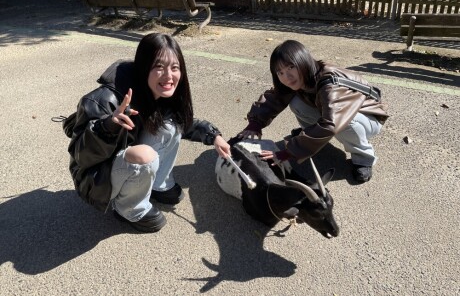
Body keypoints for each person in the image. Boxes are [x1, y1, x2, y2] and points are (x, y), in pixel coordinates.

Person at [66, 33, 231, 233]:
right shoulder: (105, 99)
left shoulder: (158, 92)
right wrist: (108, 126)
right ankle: (129, 209)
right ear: (143, 67)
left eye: (175, 67)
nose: (169, 76)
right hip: (95, 178)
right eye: (159, 67)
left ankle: (158, 185)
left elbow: (184, 123)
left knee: (171, 126)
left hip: (124, 160)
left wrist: (213, 135)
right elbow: (81, 157)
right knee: (145, 155)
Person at [238, 40, 388, 183]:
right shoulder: (304, 76)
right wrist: (255, 124)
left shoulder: (330, 83)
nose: (287, 77)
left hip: (368, 117)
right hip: (334, 113)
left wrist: (289, 152)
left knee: (345, 123)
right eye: (280, 72)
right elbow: (275, 97)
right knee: (296, 101)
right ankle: (311, 139)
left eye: (291, 67)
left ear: (302, 61)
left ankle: (364, 158)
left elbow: (331, 123)